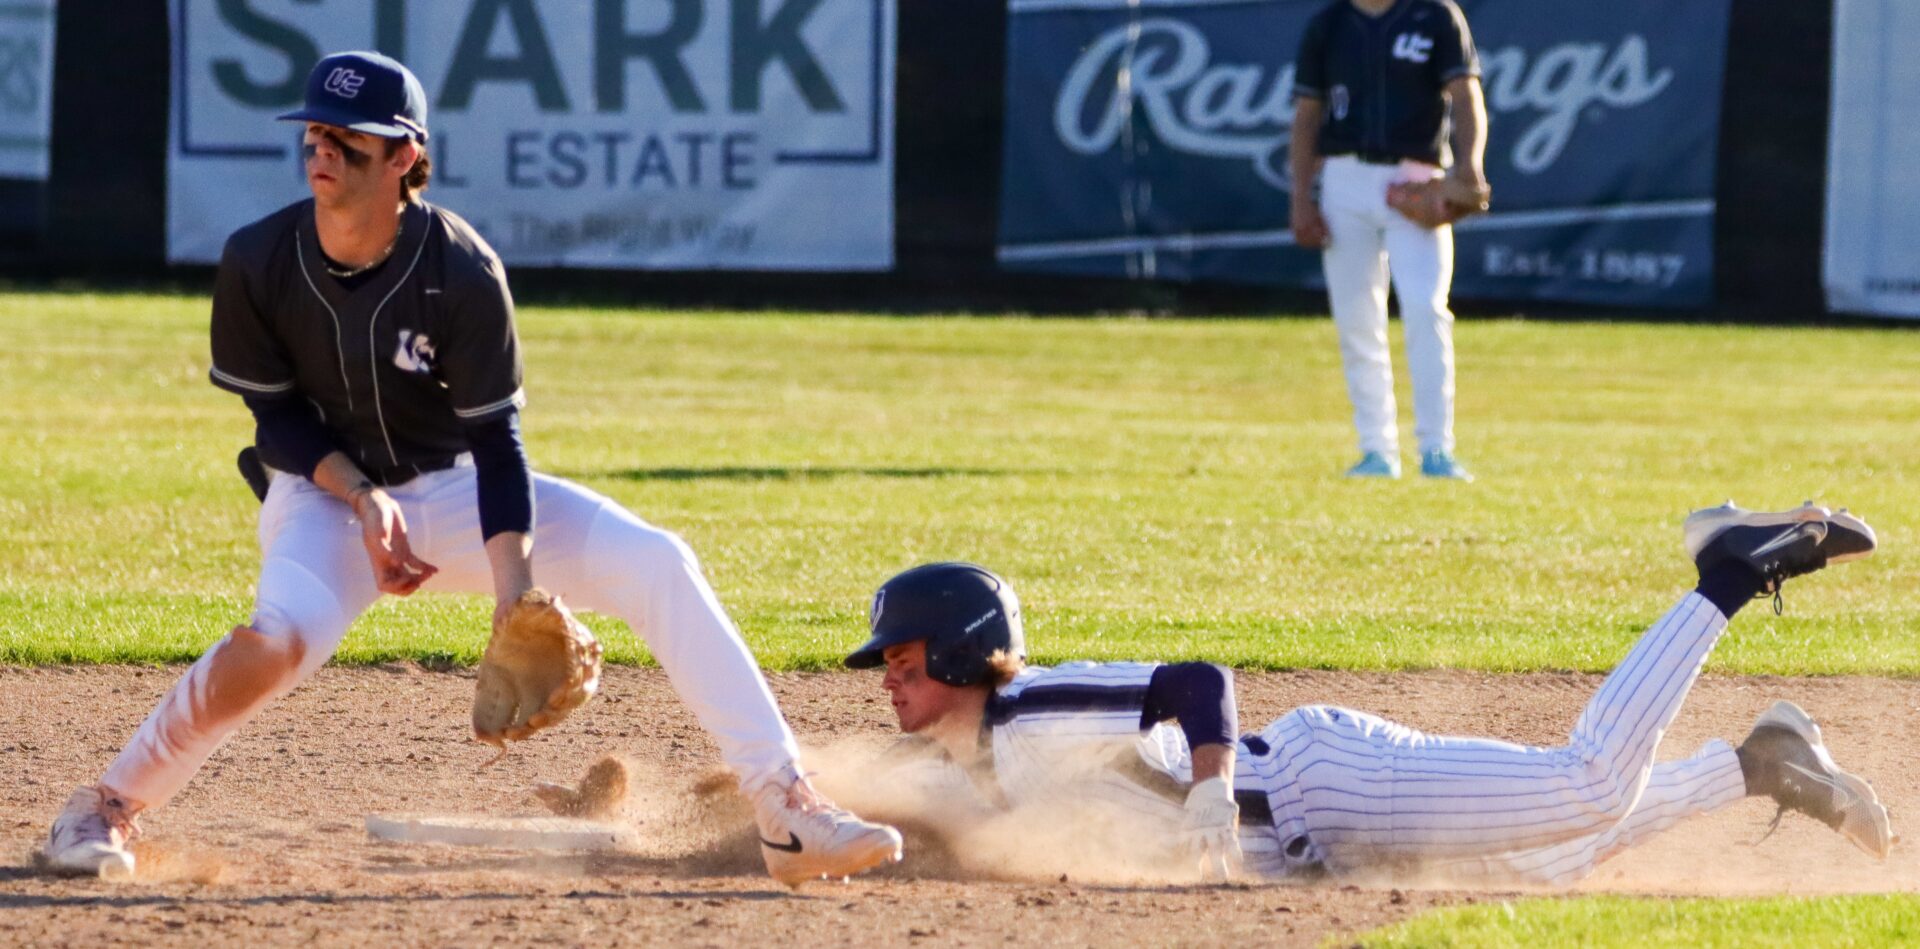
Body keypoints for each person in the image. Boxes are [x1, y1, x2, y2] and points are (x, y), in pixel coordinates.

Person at [42, 51, 902, 886]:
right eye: (316, 134)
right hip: (321, 496)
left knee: (658, 560)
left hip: (452, 484)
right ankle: (107, 803)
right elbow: (275, 418)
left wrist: (514, 590)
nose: (323, 151)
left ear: (405, 154)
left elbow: (497, 441)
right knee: (280, 641)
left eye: (349, 139)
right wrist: (362, 496)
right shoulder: (259, 259)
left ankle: (787, 809)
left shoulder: (460, 267)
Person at [844, 503, 1893, 884]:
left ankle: (1731, 567)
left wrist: (1208, 781)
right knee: (1556, 860)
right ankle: (1758, 763)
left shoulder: (1034, 713)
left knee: (1587, 787)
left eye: (901, 657)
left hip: (1325, 784)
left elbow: (1196, 681)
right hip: (1325, 850)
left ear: (962, 653)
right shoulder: (955, 759)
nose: (887, 676)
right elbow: (869, 793)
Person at [1289, 0, 1489, 481]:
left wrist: (1468, 169)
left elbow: (1465, 96)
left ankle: (1437, 449)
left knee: (1426, 307)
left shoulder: (1434, 14)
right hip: (1345, 178)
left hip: (1416, 175)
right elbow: (1307, 115)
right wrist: (1300, 197)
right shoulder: (1329, 23)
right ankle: (1377, 449)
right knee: (1357, 318)